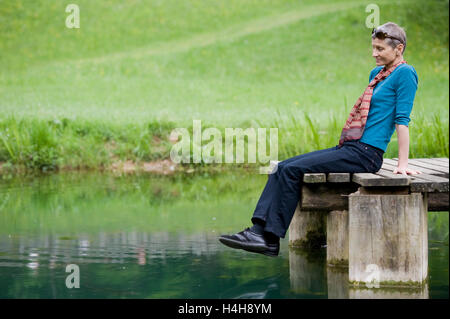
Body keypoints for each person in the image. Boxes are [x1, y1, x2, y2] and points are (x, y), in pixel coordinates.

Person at [219, 22, 421, 257]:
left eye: (380, 49)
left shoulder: (405, 74)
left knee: (292, 170)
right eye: (373, 48)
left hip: (367, 154)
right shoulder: (377, 74)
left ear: (399, 49)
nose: (374, 53)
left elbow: (402, 120)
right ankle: (258, 231)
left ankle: (269, 239)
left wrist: (402, 166)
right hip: (351, 146)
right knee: (283, 167)